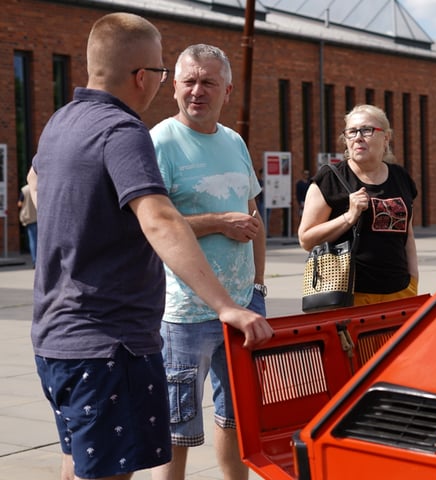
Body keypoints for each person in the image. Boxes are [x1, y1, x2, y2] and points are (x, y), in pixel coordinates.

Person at [27, 13, 273, 480]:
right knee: (108, 471)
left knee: (76, 463)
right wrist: (226, 305)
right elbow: (159, 220)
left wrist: (86, 228)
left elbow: (36, 179)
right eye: (165, 72)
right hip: (107, 344)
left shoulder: (61, 121)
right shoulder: (124, 132)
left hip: (56, 337)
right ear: (144, 77)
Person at [149, 44, 266, 480]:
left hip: (245, 308)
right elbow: (152, 224)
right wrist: (217, 222)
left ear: (227, 90)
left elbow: (253, 215)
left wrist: (258, 287)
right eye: (189, 81)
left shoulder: (234, 141)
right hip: (185, 312)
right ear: (173, 86)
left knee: (237, 420)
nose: (198, 91)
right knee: (175, 431)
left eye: (208, 82)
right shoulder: (160, 141)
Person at [298, 104, 418, 306]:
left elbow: (408, 234)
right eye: (351, 132)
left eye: (367, 130)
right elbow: (306, 239)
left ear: (386, 138)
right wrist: (349, 216)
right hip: (348, 295)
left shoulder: (401, 177)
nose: (358, 137)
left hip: (400, 292)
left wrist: (413, 281)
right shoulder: (330, 179)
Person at [17, 183, 37, 265]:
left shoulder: (24, 190)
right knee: (40, 240)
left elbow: (20, 204)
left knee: (32, 240)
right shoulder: (39, 187)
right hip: (39, 216)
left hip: (29, 217)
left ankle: (34, 260)